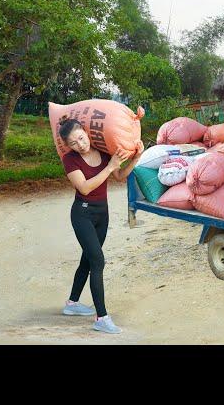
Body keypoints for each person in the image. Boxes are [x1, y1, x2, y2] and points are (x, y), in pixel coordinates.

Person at [59, 115, 144, 334]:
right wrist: (109, 167)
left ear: (86, 132)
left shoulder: (104, 151)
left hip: (102, 215)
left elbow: (120, 176)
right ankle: (101, 317)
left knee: (88, 260)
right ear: (69, 146)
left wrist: (136, 158)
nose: (80, 144)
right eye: (73, 143)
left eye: (81, 138)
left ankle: (72, 304)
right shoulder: (70, 160)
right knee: (98, 261)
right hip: (82, 215)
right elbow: (85, 188)